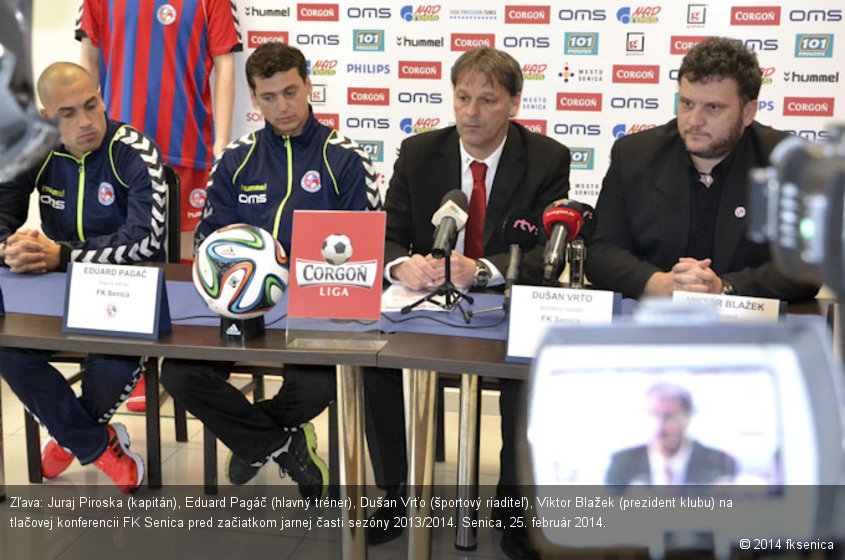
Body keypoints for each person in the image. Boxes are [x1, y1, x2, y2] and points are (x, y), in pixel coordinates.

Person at [365, 47, 569, 560]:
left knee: (530, 379)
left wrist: (481, 269)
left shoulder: (547, 159)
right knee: (375, 367)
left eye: (486, 100)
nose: (470, 113)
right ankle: (395, 496)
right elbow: (385, 235)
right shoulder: (418, 153)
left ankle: (513, 506)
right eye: (462, 98)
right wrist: (400, 266)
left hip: (502, 304)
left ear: (514, 104)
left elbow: (548, 250)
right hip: (425, 305)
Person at [159, 43, 380, 499]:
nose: (282, 107)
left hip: (313, 309)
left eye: (291, 92)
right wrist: (232, 277)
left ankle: (253, 438)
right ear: (254, 99)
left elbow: (364, 253)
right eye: (269, 97)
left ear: (308, 87)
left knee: (321, 382)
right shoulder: (236, 159)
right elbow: (207, 241)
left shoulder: (345, 158)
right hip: (237, 308)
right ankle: (281, 443)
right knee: (177, 374)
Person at [0, 62, 167, 493]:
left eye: (91, 105)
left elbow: (147, 239)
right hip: (58, 290)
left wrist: (63, 255)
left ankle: (70, 438)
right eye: (67, 113)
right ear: (45, 116)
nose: (86, 121)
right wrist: (9, 248)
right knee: (10, 352)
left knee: (111, 363)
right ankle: (94, 443)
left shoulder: (136, 151)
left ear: (102, 95)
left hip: (125, 290)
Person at [76, 0, 242, 411]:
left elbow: (225, 64)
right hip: (118, 150)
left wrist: (221, 141)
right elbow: (88, 60)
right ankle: (132, 366)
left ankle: (190, 365)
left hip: (186, 145)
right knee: (125, 253)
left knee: (188, 256)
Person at [585, 37, 818, 302]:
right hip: (652, 324)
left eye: (713, 108)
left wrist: (724, 288)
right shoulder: (634, 155)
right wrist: (658, 283)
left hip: (749, 331)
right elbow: (601, 251)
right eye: (687, 104)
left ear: (748, 112)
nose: (694, 121)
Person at [605, 383, 737, 485]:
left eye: (669, 417)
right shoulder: (622, 462)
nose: (659, 426)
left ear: (688, 417)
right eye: (653, 416)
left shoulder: (719, 463)